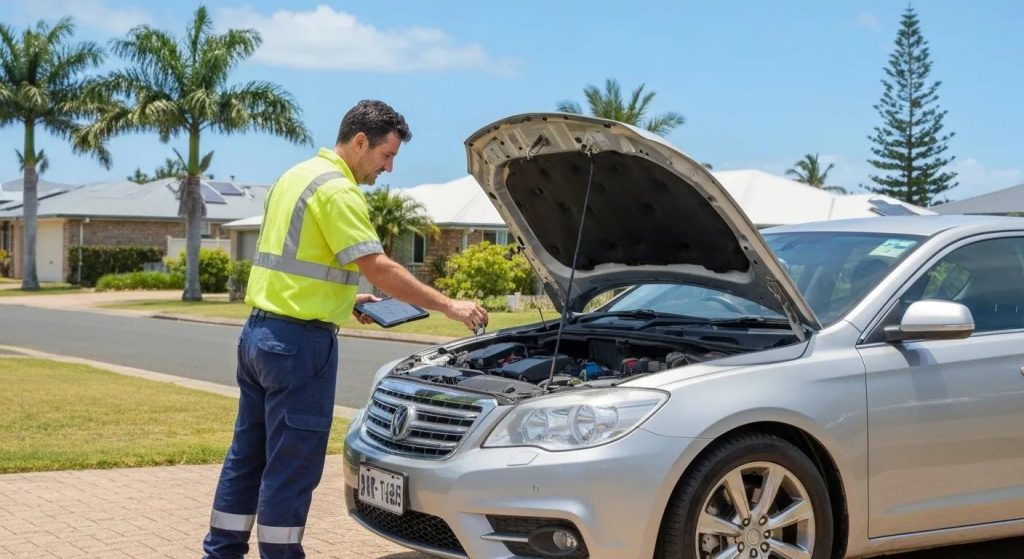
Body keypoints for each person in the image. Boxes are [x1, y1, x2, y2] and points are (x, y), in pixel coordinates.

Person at [202, 99, 488, 559]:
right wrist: (448, 304)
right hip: (299, 346)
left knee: (247, 457)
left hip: (259, 335)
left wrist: (343, 298)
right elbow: (378, 267)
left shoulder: (294, 177)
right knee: (292, 465)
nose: (388, 168)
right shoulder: (339, 190)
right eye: (385, 155)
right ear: (359, 142)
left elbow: (291, 264)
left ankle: (220, 552)